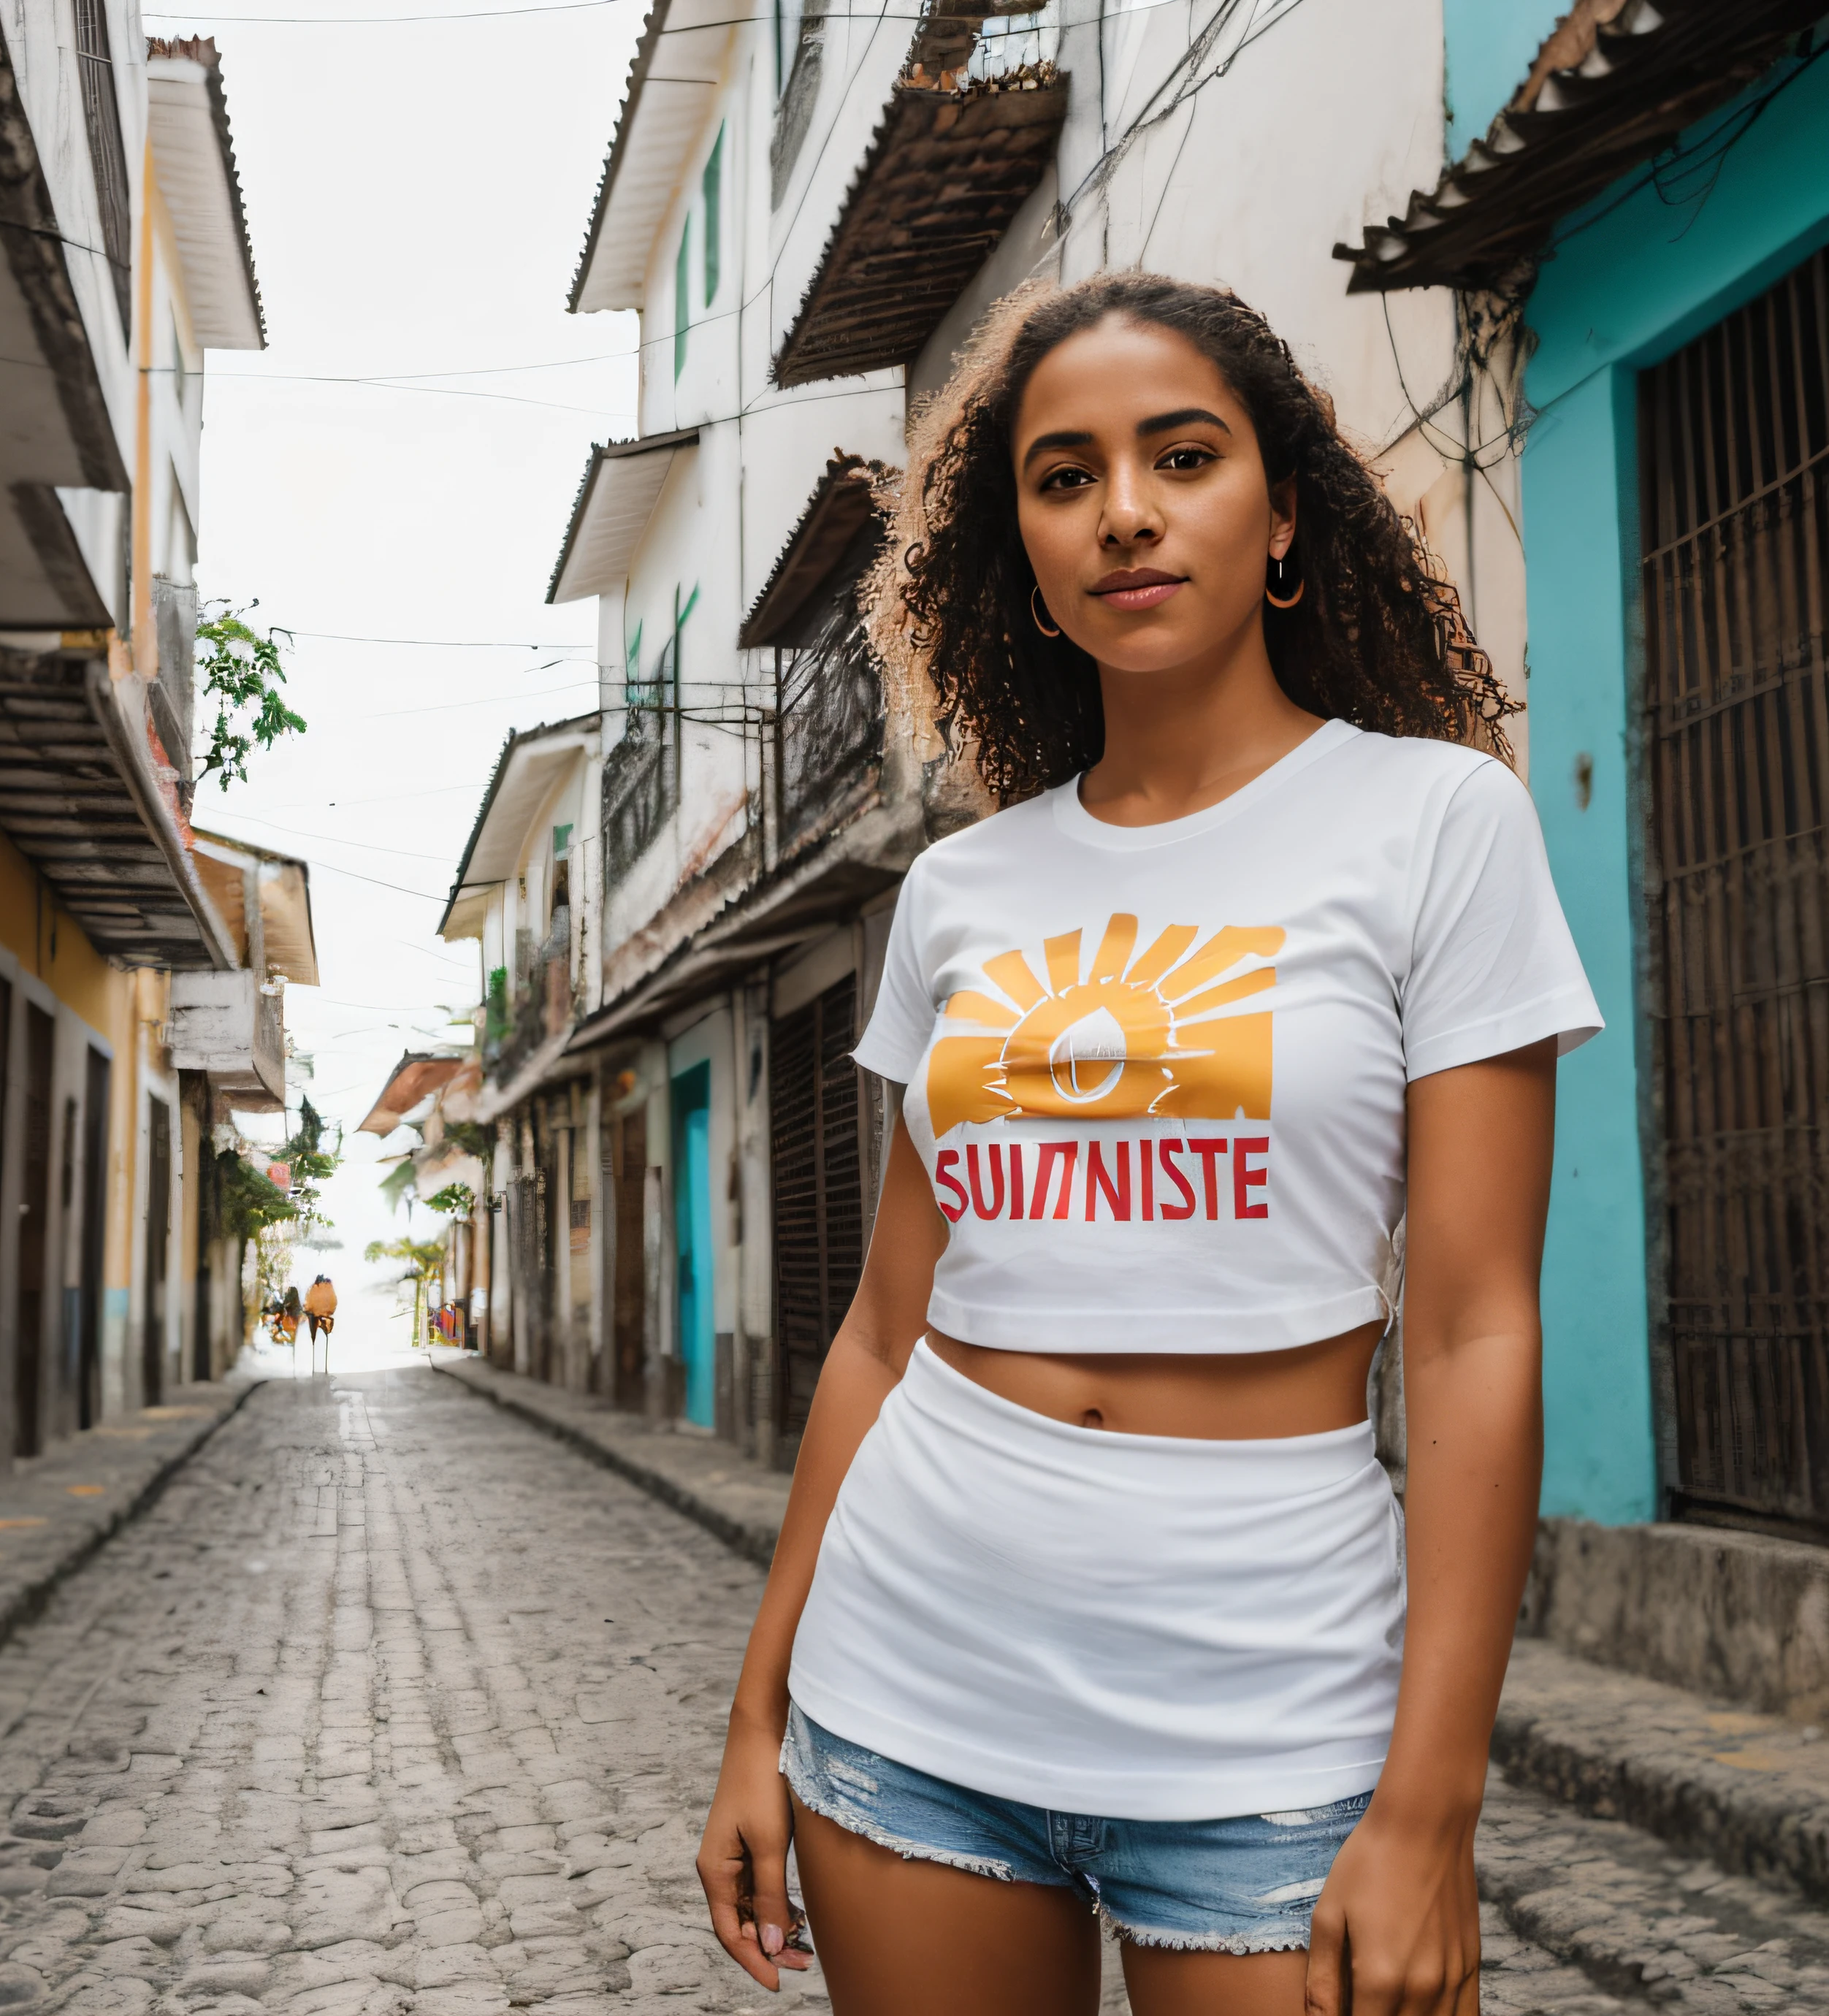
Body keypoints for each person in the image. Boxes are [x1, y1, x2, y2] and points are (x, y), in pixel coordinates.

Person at [696, 272, 1600, 2016]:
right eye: (1062, 475)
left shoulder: (1435, 824)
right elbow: (886, 1331)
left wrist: (1429, 1806)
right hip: (910, 1685)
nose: (1122, 509)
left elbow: (1477, 1327)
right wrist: (760, 1709)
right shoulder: (961, 890)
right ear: (1019, 554)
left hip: (1272, 1702)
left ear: (1278, 515)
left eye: (1180, 456)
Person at [305, 1274, 337, 1374]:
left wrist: (309, 1310)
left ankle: (314, 1368)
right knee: (327, 1336)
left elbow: (308, 1305)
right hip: (326, 1318)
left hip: (314, 1317)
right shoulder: (330, 1288)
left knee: (313, 1338)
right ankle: (325, 1368)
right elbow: (334, 1304)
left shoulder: (313, 1288)